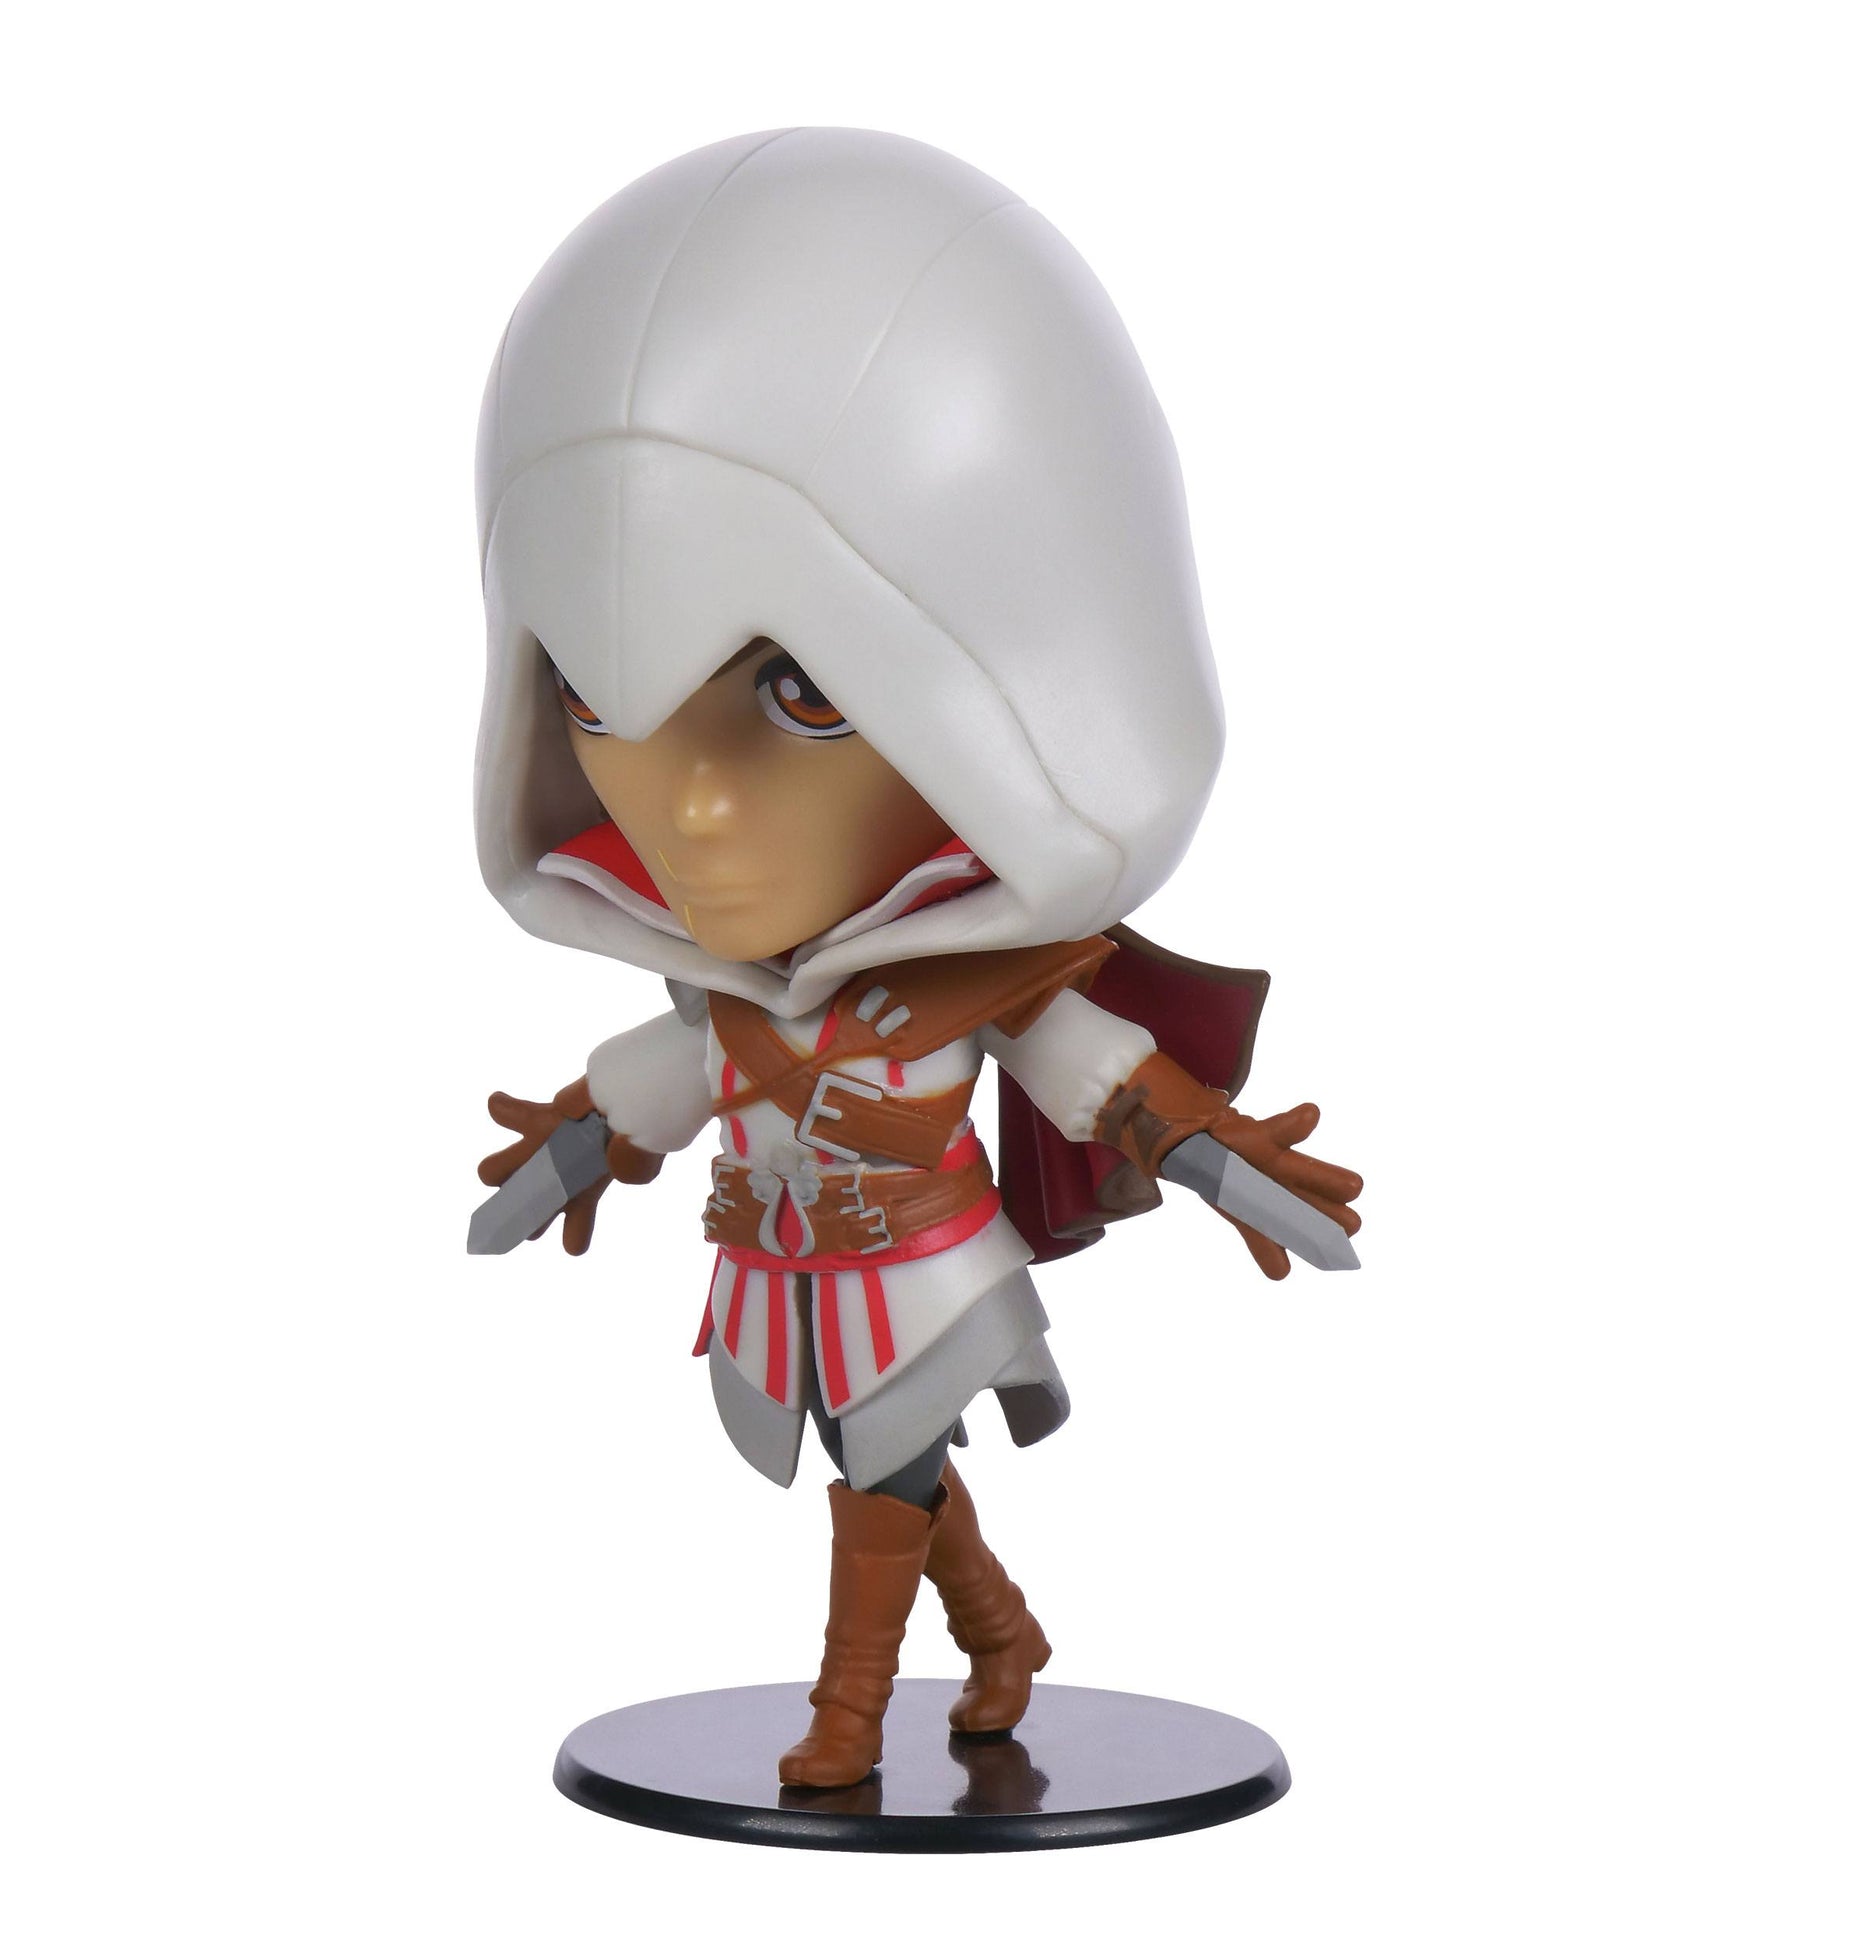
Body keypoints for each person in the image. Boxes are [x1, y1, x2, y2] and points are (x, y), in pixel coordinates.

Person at [471, 129, 1362, 1791]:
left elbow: (1105, 1081)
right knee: (884, 1461)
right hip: (778, 1266)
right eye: (596, 696)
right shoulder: (727, 998)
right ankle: (1003, 1636)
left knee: (876, 1476)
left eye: (800, 693)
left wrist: (1217, 1155)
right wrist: (574, 1145)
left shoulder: (970, 985)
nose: (688, 805)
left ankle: (847, 1707)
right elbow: (668, 1079)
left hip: (919, 1266)